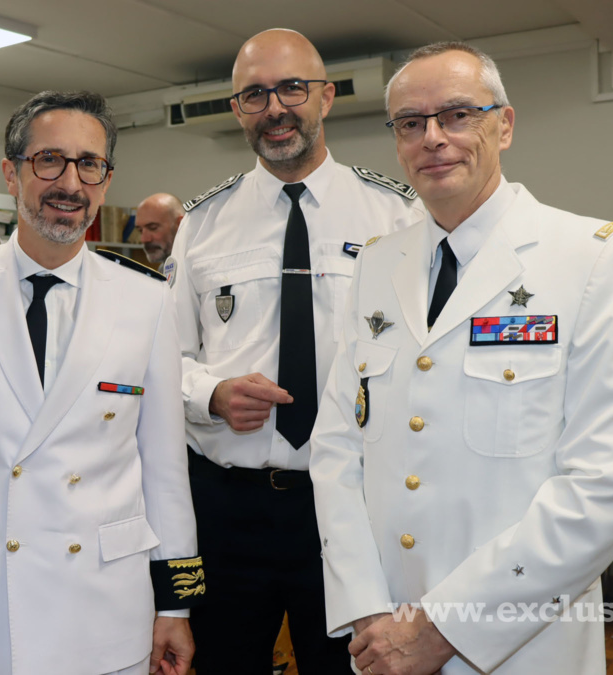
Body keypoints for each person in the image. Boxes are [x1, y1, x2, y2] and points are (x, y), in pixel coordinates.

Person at [309, 42, 613, 675]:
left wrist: (444, 629)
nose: (433, 138)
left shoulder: (596, 257)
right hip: (383, 640)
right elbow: (338, 446)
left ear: (504, 124)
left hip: (522, 645)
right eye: (411, 123)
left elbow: (607, 484)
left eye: (457, 114)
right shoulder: (375, 263)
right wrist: (367, 609)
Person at [0, 90, 204, 675]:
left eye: (89, 164)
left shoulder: (147, 299)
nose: (69, 182)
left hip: (105, 604)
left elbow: (164, 468)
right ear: (11, 173)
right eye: (49, 160)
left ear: (104, 180)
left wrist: (176, 603)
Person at [168, 28, 422, 674]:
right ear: (236, 110)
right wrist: (212, 394)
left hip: (350, 505)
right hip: (229, 509)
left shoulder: (395, 215)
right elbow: (161, 362)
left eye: (291, 89)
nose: (275, 107)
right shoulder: (202, 224)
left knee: (348, 668)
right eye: (255, 93)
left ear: (327, 97)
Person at [133, 193, 184, 270]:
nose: (144, 239)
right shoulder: (164, 269)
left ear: (179, 224)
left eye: (152, 228)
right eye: (140, 230)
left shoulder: (200, 268)